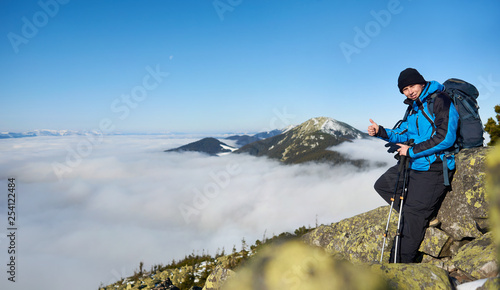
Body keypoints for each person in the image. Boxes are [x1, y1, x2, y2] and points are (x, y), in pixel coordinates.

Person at [368, 68, 459, 263]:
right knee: (383, 185)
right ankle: (421, 213)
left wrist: (411, 151)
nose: (409, 91)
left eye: (412, 86)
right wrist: (381, 131)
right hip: (415, 163)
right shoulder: (414, 107)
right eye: (405, 89)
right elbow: (404, 133)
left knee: (409, 220)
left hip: (434, 167)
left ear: (422, 82)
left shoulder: (440, 100)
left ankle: (397, 270)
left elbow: (445, 137)